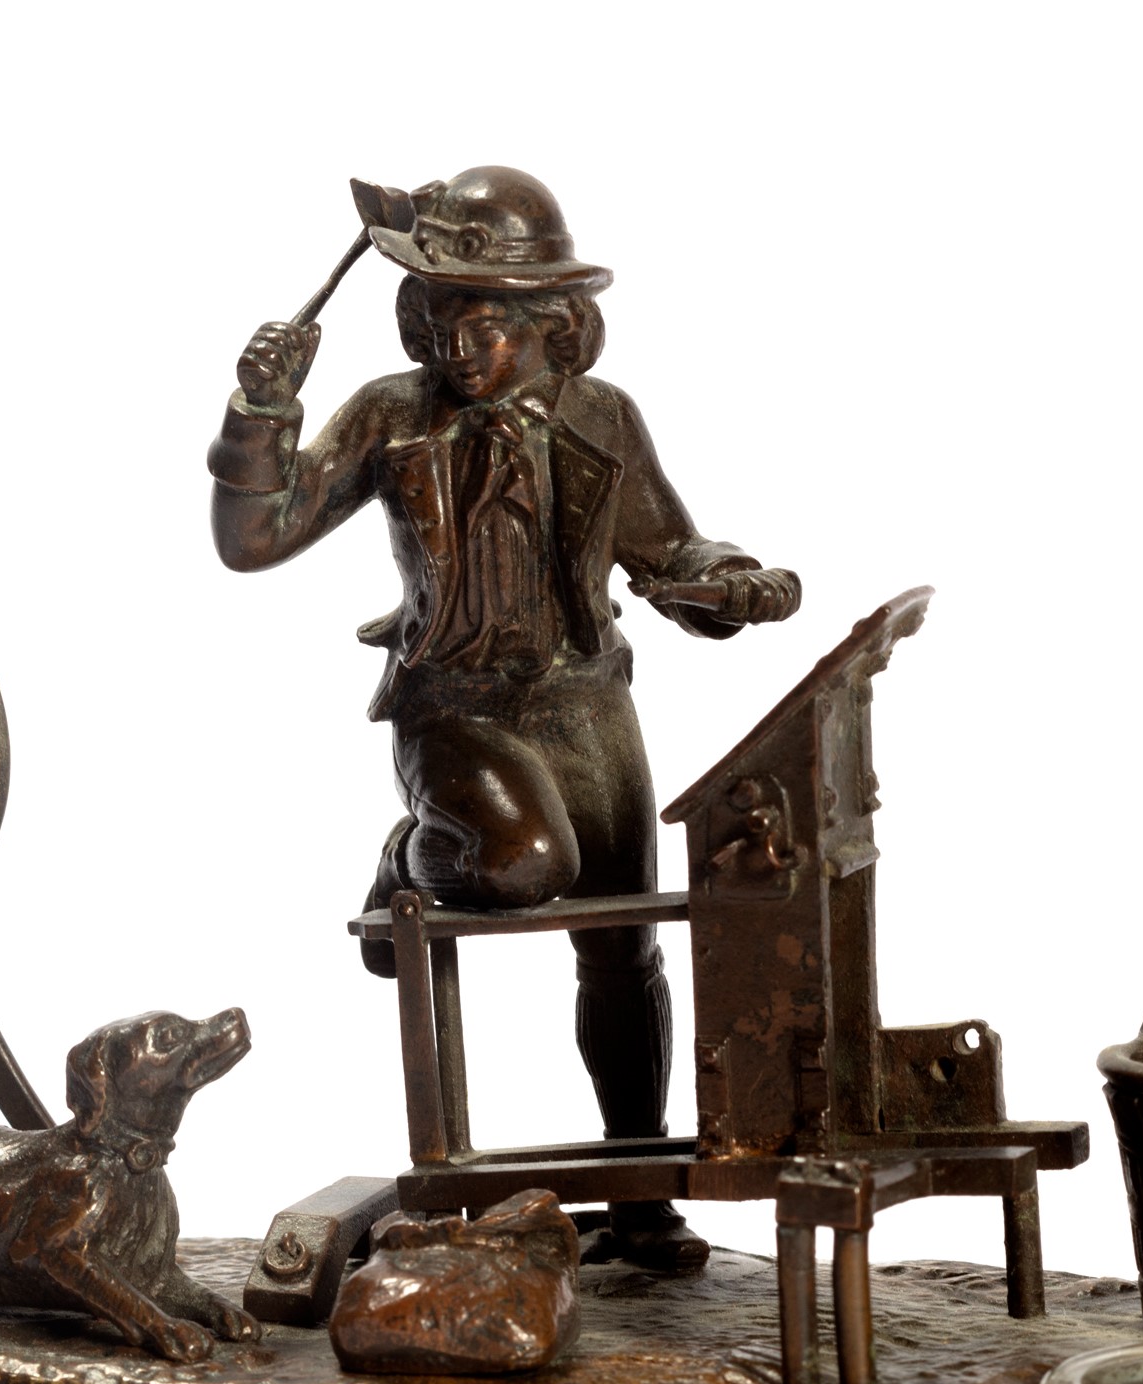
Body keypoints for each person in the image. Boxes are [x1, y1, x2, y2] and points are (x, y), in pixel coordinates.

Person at [210, 165, 801, 1272]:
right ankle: (413, 856)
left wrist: (731, 580)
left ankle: (639, 1194)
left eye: (486, 327)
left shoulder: (601, 416)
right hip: (454, 710)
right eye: (442, 323)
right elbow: (254, 538)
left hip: (586, 707)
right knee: (526, 863)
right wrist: (262, 413)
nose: (458, 349)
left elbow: (670, 546)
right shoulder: (394, 414)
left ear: (555, 326)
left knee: (623, 947)